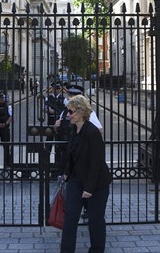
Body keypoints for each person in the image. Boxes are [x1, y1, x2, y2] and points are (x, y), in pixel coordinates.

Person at [60, 95, 112, 253]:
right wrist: (67, 173)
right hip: (76, 180)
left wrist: (89, 189)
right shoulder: (74, 129)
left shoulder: (92, 132)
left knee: (95, 220)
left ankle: (96, 250)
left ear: (81, 112)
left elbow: (96, 163)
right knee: (70, 218)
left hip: (96, 184)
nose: (68, 114)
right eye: (67, 111)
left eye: (71, 111)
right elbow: (72, 155)